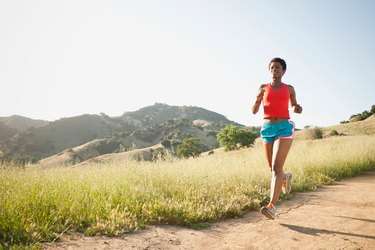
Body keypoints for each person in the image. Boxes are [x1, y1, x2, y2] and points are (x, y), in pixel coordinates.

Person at [252, 57, 302, 219]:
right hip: (267, 129)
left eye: (278, 67)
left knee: (275, 166)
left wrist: (297, 108)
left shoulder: (289, 88)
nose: (275, 69)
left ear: (283, 71)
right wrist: (257, 98)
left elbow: (294, 105)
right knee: (272, 168)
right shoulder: (262, 88)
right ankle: (285, 177)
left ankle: (271, 206)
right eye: (272, 67)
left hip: (284, 128)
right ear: (269, 70)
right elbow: (254, 110)